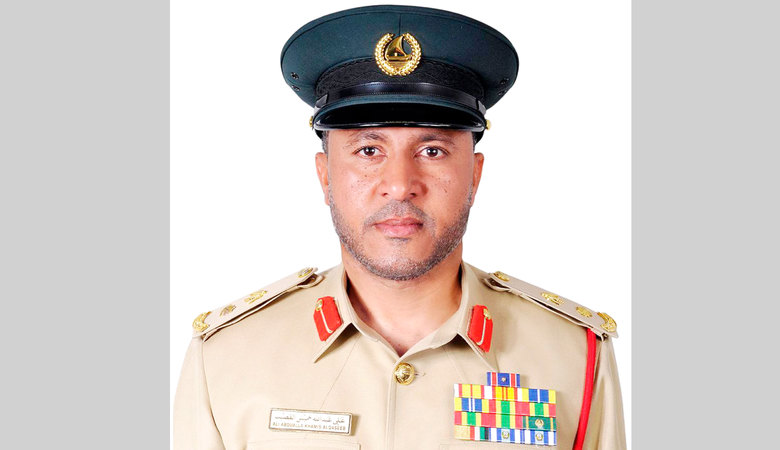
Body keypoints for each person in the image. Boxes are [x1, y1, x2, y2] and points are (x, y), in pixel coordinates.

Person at [174, 5, 625, 449]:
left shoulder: (574, 355)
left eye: (432, 151)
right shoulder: (226, 358)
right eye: (368, 150)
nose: (400, 184)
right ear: (325, 176)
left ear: (475, 175)